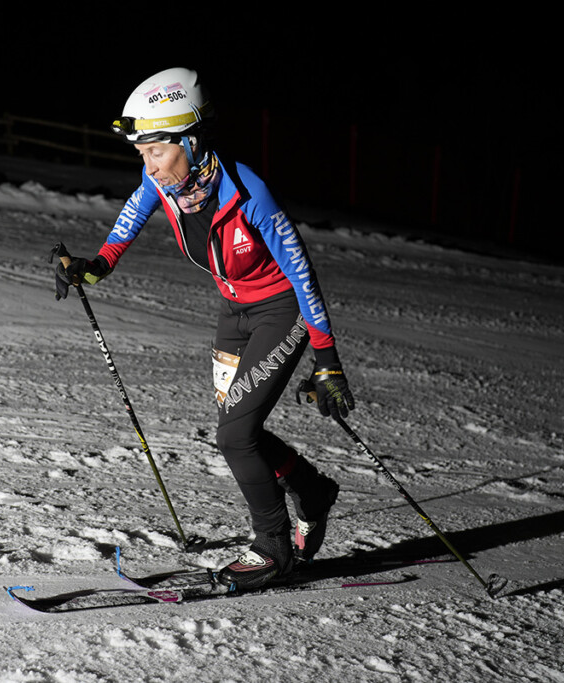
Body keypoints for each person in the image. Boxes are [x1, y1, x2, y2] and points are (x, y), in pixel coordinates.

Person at [55, 67, 354, 590]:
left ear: (191, 142)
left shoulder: (249, 192)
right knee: (241, 428)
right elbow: (129, 221)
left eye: (157, 150)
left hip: (280, 310)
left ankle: (273, 549)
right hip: (233, 311)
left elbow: (304, 276)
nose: (148, 164)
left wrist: (326, 358)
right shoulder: (163, 179)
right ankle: (312, 490)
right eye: (142, 151)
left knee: (235, 434)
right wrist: (94, 265)